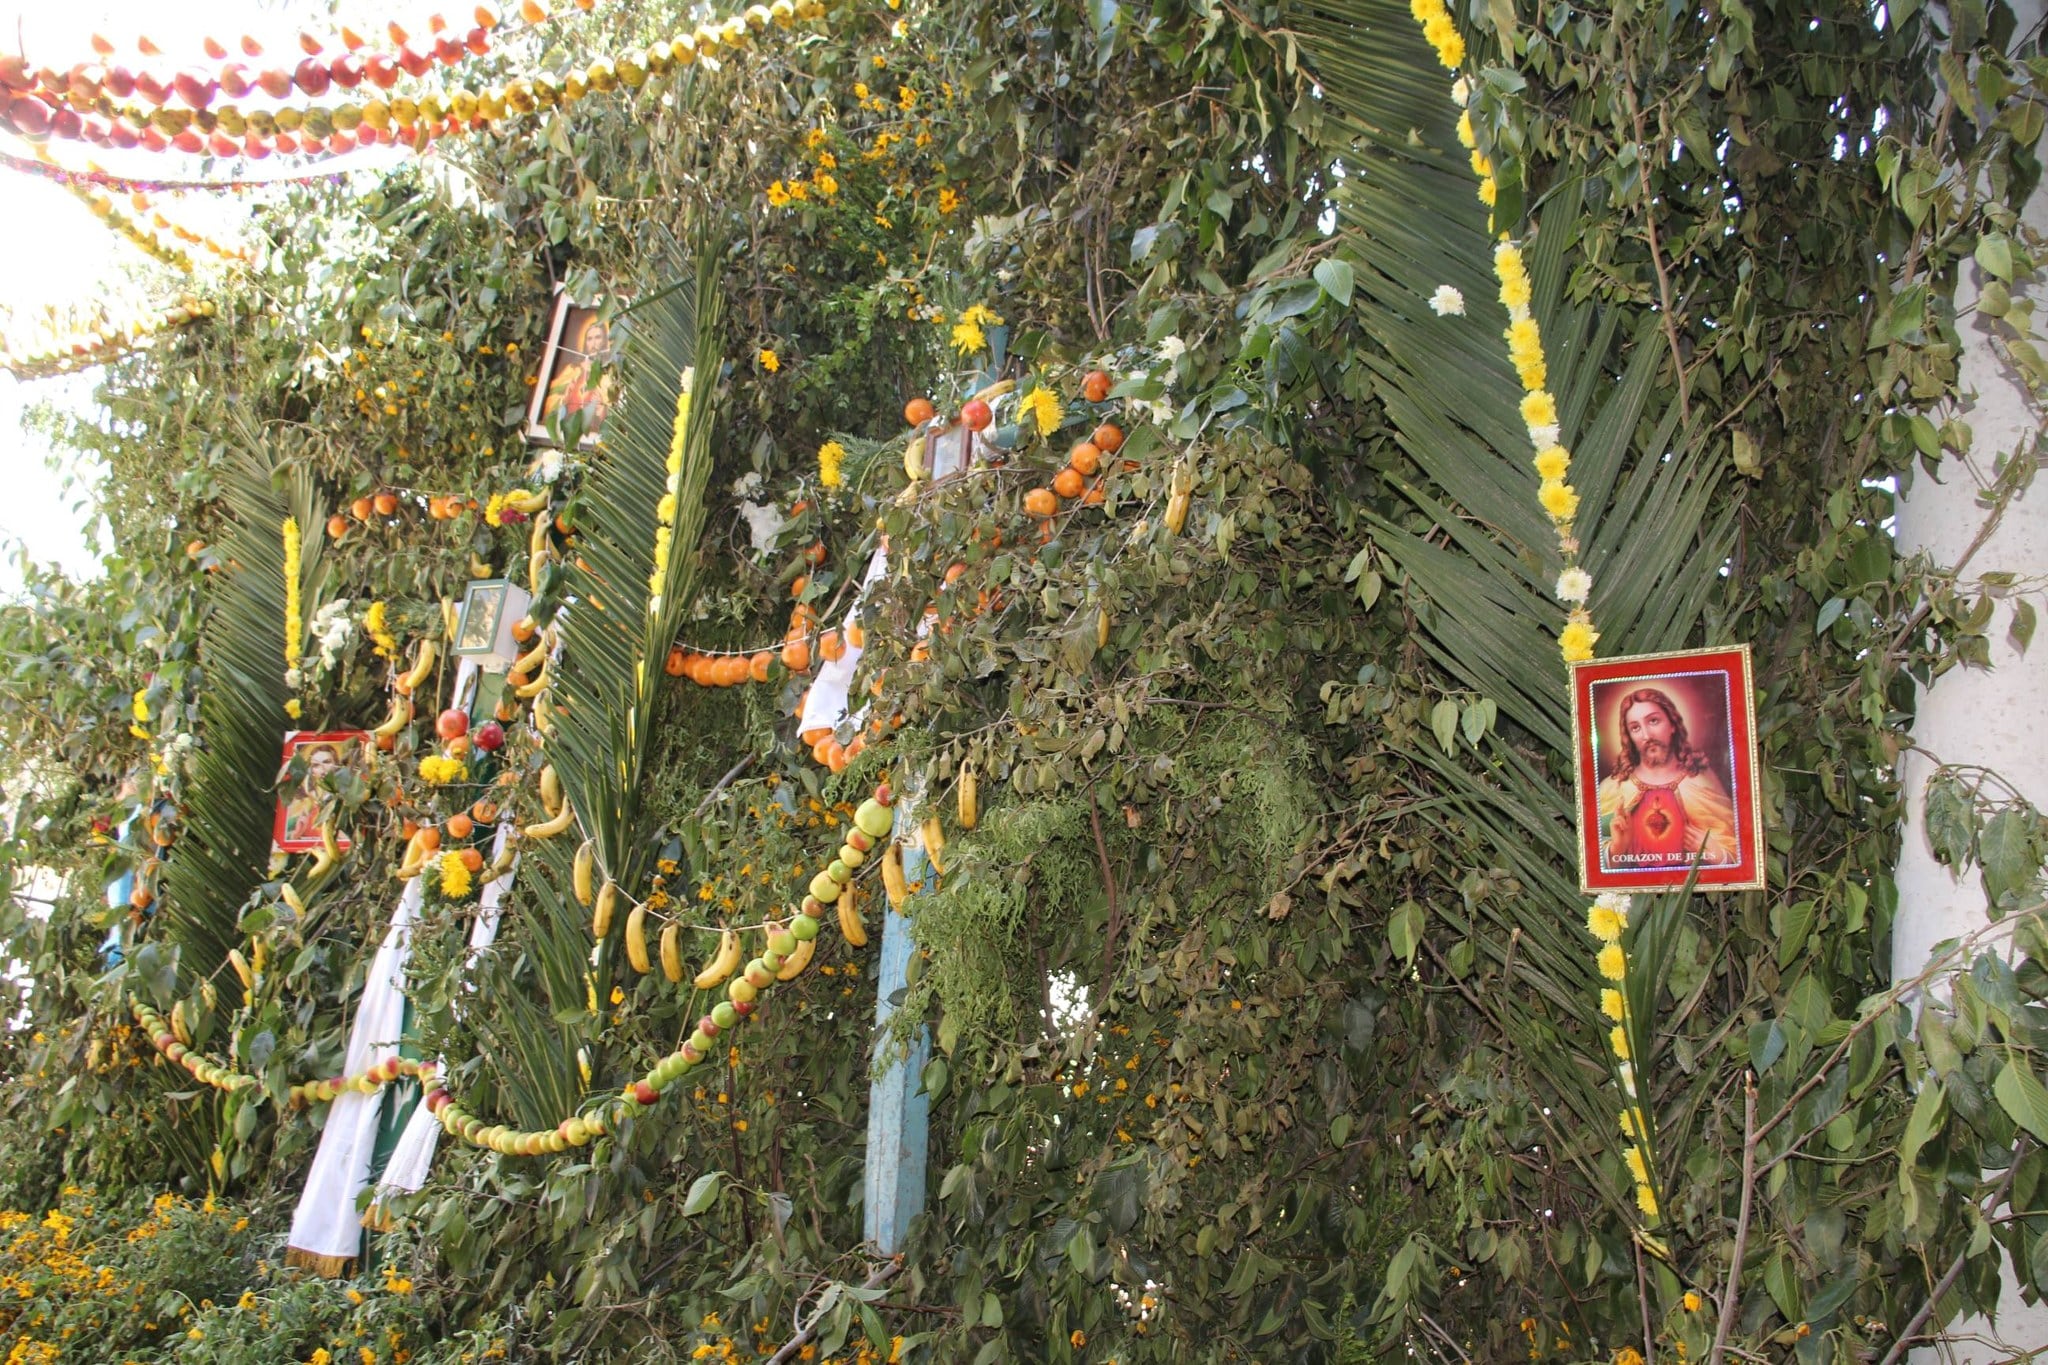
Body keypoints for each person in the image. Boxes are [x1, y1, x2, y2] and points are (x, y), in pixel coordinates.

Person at [1596, 687, 1738, 871]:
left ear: (1672, 724)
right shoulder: (1612, 788)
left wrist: (1717, 854)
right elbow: (1589, 858)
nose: (1647, 736)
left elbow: (1737, 852)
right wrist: (1616, 849)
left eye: (1653, 721)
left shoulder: (1701, 782)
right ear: (1629, 737)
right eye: (1635, 728)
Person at [542, 314, 615, 432]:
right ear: (585, 342)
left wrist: (602, 410)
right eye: (590, 339)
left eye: (598, 337)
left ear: (605, 341)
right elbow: (550, 401)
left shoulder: (610, 372)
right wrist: (564, 399)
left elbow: (616, 408)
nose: (594, 343)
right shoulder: (573, 369)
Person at [282, 743, 341, 846]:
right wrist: (297, 834)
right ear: (312, 771)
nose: (322, 769)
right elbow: (289, 839)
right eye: (316, 765)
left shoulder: (348, 795)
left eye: (327, 762)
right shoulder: (305, 805)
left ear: (336, 764)